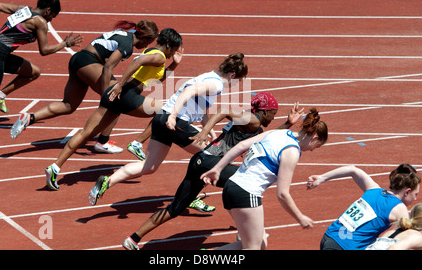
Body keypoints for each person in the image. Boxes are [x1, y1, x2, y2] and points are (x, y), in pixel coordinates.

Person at [118, 93, 305, 250]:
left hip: (200, 160)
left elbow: (269, 137)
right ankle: (246, 230)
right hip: (212, 163)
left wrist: (288, 123)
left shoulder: (253, 122)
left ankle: (133, 238)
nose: (273, 118)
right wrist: (205, 129)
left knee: (176, 207)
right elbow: (223, 111)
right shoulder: (252, 120)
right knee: (245, 185)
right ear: (264, 111)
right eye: (273, 114)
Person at [88, 53, 249, 208]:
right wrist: (173, 116)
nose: (236, 85)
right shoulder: (217, 84)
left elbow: (202, 111)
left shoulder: (208, 76)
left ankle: (107, 181)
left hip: (161, 118)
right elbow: (188, 92)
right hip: (175, 121)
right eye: (238, 81)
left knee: (149, 166)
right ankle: (191, 196)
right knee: (214, 158)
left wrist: (212, 135)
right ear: (232, 75)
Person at [44, 28, 182, 190]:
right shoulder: (159, 57)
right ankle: (137, 143)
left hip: (114, 95)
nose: (173, 54)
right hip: (126, 94)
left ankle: (55, 167)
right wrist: (120, 85)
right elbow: (136, 63)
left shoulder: (151, 51)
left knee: (85, 133)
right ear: (168, 45)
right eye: (174, 50)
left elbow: (156, 79)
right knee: (166, 111)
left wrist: (174, 64)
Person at [10, 19, 158, 154]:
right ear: (145, 37)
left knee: (68, 105)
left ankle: (29, 118)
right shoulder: (127, 45)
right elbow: (108, 67)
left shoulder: (125, 34)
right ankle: (103, 142)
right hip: (89, 62)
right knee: (116, 98)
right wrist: (106, 93)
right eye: (149, 42)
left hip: (78, 60)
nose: (147, 46)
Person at [200, 108, 328, 250]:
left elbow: (241, 145)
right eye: (316, 146)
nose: (312, 150)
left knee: (259, 244)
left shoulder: (279, 133)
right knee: (253, 248)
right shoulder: (292, 151)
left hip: (231, 186)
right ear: (315, 138)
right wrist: (300, 217)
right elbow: (282, 194)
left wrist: (218, 169)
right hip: (247, 193)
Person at [0, 0, 82, 119]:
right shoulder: (40, 22)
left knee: (33, 72)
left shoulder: (24, 10)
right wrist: (65, 44)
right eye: (52, 17)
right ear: (48, 11)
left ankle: (0, 96)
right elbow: (45, 50)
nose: (50, 21)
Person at [306, 163, 420, 250]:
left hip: (329, 236)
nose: (415, 199)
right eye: (415, 194)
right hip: (346, 246)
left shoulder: (373, 189)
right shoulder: (400, 208)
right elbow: (407, 238)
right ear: (407, 191)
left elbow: (352, 169)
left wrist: (322, 178)